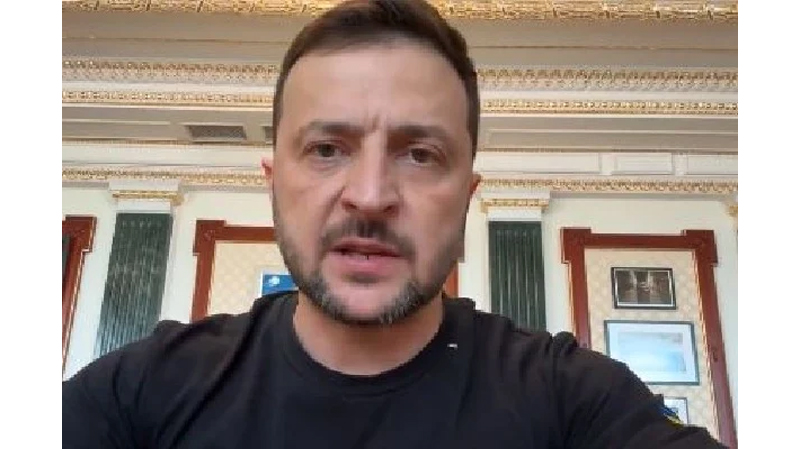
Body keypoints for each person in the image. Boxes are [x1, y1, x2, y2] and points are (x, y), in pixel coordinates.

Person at [62, 1, 729, 447]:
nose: (371, 195)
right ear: (274, 183)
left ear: (466, 196)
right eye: (327, 149)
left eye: (420, 154)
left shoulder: (573, 398)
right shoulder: (142, 390)